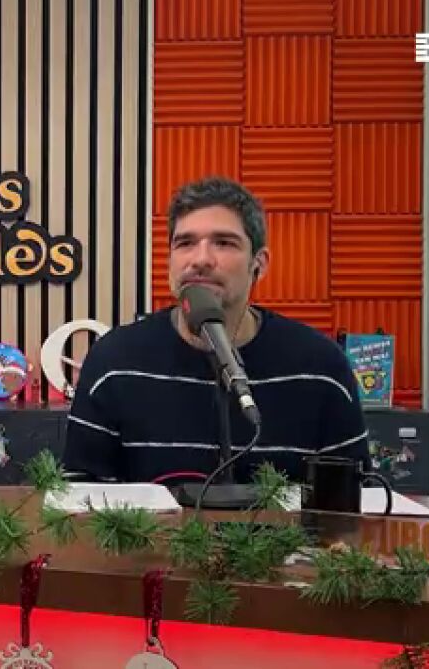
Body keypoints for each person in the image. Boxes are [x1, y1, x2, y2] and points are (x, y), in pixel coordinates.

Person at [62, 177, 368, 486]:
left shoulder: (321, 367)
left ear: (259, 264)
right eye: (185, 243)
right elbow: (78, 496)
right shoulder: (113, 363)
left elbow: (353, 499)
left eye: (224, 243)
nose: (201, 260)